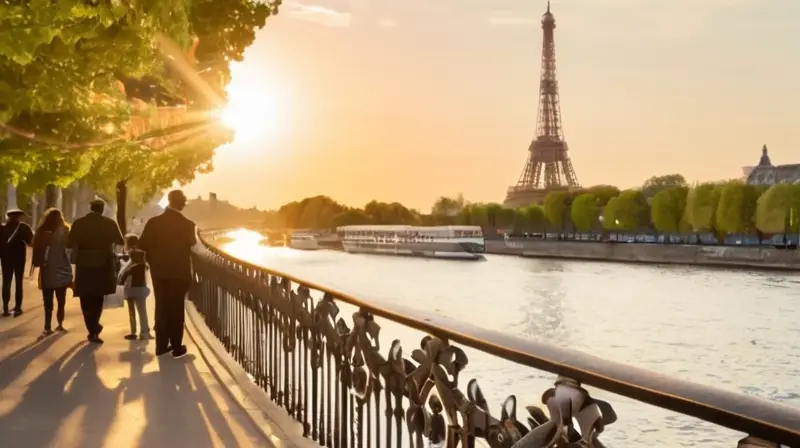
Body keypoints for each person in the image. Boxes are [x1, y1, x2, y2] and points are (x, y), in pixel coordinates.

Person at [139, 190, 196, 358]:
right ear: (183, 204)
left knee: (162, 306)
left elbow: (143, 244)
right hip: (180, 272)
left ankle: (161, 345)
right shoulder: (188, 224)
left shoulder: (154, 222)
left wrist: (153, 258)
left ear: (168, 202)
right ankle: (176, 345)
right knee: (177, 307)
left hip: (160, 271)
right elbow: (192, 244)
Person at [68, 199, 125, 344]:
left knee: (85, 297)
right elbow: (120, 240)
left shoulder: (79, 223)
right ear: (102, 209)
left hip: (83, 264)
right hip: (103, 264)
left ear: (90, 207)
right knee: (98, 297)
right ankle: (94, 329)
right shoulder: (109, 223)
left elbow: (69, 243)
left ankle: (92, 328)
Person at [32, 208, 74, 335]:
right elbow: (70, 248)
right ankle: (60, 324)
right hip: (62, 268)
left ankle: (47, 326)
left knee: (47, 299)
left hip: (47, 269)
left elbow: (36, 248)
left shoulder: (41, 231)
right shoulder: (65, 230)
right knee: (61, 299)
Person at [0, 208, 34, 317]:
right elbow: (30, 242)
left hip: (5, 259)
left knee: (6, 282)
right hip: (19, 258)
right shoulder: (24, 227)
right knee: (19, 283)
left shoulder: (2, 228)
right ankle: (18, 308)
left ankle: (5, 308)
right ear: (19, 216)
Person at [117, 234, 152, 340]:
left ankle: (133, 332)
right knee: (142, 311)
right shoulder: (142, 255)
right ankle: (145, 332)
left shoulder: (129, 256)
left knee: (131, 311)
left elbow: (124, 274)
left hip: (130, 288)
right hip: (140, 286)